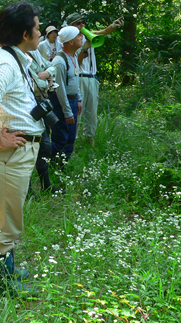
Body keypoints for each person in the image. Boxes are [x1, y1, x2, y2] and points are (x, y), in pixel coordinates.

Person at [0, 0, 43, 294]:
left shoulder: (14, 58)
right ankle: (6, 285)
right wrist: (0, 138)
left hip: (17, 152)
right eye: (38, 28)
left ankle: (11, 270)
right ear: (25, 34)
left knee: (10, 216)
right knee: (3, 222)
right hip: (9, 153)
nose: (40, 33)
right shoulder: (4, 63)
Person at [68, 13, 123, 147]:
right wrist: (84, 49)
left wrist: (114, 25)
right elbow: (77, 64)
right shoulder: (69, 41)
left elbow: (104, 32)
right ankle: (72, 142)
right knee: (78, 111)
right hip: (79, 77)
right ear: (71, 26)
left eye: (83, 22)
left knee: (91, 111)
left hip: (92, 78)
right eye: (78, 23)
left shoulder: (89, 34)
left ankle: (89, 139)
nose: (82, 25)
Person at [27, 48, 58, 193]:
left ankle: (46, 185)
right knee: (28, 147)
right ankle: (28, 191)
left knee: (45, 145)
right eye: (36, 29)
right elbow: (33, 83)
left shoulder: (36, 53)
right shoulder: (21, 57)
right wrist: (48, 82)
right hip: (28, 107)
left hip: (41, 103)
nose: (39, 33)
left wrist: (47, 74)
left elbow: (53, 66)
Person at [48, 27, 82, 159]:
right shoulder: (60, 61)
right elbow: (60, 89)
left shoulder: (72, 56)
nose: (82, 37)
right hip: (62, 103)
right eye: (78, 36)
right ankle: (56, 168)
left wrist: (78, 98)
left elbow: (74, 79)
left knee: (71, 137)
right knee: (61, 137)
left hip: (72, 101)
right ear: (71, 41)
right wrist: (67, 111)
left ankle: (64, 166)